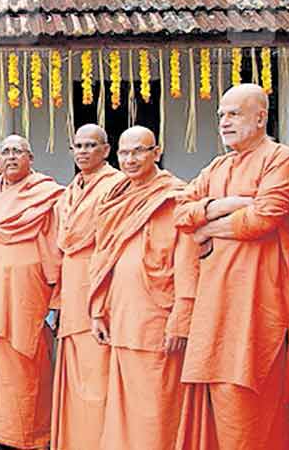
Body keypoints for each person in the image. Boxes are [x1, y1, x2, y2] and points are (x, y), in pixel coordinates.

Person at [173, 84, 289, 450]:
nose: (224, 122)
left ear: (260, 117)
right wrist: (226, 203)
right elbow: (180, 212)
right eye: (221, 116)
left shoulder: (280, 158)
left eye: (233, 114)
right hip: (215, 304)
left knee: (251, 399)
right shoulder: (217, 167)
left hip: (258, 304)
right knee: (217, 399)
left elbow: (264, 218)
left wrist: (206, 229)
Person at [88, 126, 197, 450]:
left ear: (157, 152)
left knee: (157, 410)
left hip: (158, 323)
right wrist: (98, 311)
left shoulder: (177, 197)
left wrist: (181, 319)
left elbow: (187, 264)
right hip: (121, 318)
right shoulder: (114, 199)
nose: (130, 159)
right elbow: (103, 258)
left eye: (139, 151)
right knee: (122, 410)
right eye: (124, 152)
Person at [0, 134, 64, 450]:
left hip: (26, 292)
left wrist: (57, 295)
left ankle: (32, 436)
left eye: (18, 151)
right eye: (5, 152)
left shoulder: (46, 193)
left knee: (26, 357)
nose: (11, 157)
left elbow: (55, 244)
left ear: (31, 157)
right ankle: (2, 434)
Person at [50, 124, 123, 450]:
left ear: (106, 150)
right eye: (77, 146)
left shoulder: (117, 185)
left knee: (98, 373)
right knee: (75, 372)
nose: (82, 152)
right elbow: (62, 241)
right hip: (72, 287)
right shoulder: (72, 189)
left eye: (90, 145)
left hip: (100, 284)